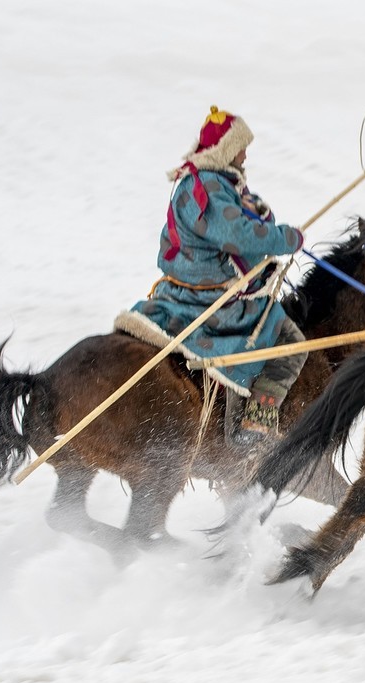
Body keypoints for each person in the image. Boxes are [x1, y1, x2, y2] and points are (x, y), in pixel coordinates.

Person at [125, 106, 307, 451]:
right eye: (241, 147)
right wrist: (286, 239)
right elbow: (238, 234)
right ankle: (255, 425)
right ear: (226, 150)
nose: (245, 154)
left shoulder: (205, 181)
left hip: (180, 291)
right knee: (289, 341)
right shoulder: (207, 187)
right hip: (211, 302)